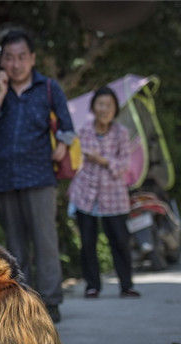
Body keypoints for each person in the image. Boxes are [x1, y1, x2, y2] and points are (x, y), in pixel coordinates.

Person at [0, 30, 75, 323]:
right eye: (8, 58)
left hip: (39, 176)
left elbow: (68, 125)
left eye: (21, 57)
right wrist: (0, 98)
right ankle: (21, 305)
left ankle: (51, 303)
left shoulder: (49, 88)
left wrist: (63, 145)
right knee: (13, 248)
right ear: (2, 60)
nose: (15, 64)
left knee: (45, 242)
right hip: (4, 179)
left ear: (31, 58)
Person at [68, 86, 140, 299]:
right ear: (93, 107)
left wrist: (102, 160)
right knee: (88, 243)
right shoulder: (84, 130)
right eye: (101, 104)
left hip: (114, 197)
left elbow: (124, 164)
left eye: (109, 105)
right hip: (86, 194)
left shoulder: (122, 133)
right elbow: (81, 159)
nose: (104, 109)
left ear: (115, 108)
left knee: (120, 241)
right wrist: (105, 161)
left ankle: (126, 285)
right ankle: (92, 286)